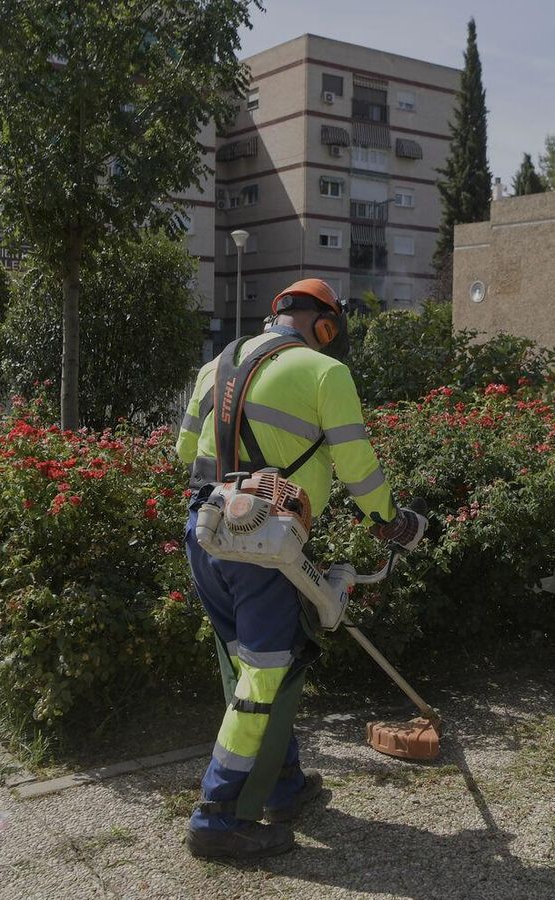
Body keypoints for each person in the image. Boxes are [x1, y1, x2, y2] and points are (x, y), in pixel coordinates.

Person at [175, 278, 426, 859]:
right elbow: (358, 467)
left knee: (260, 667)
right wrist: (390, 521)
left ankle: (282, 785)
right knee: (263, 677)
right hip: (265, 545)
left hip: (205, 531)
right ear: (325, 325)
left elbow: (186, 456)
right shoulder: (324, 372)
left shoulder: (215, 366)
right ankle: (216, 816)